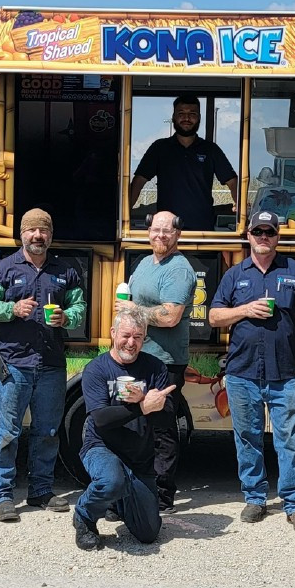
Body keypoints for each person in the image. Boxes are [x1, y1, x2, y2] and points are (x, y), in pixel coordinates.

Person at [208, 210, 295, 535]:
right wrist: (244, 310)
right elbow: (213, 316)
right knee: (248, 439)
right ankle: (255, 498)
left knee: (290, 441)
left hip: (284, 374)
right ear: (249, 236)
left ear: (277, 236)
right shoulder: (234, 275)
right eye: (258, 232)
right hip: (242, 374)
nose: (263, 237)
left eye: (269, 232)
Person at [0, 208, 86, 521]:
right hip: (13, 364)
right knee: (8, 431)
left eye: (43, 231)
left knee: (48, 431)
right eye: (31, 231)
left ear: (50, 235)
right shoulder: (3, 269)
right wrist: (12, 308)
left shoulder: (66, 271)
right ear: (21, 234)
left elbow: (79, 306)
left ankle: (40, 491)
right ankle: (1, 495)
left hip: (51, 364)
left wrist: (68, 317)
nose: (37, 236)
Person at [71, 306, 176, 551]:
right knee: (111, 480)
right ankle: (84, 516)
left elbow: (168, 418)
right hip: (101, 447)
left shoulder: (156, 368)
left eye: (137, 337)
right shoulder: (96, 369)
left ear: (144, 338)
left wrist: (151, 403)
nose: (131, 343)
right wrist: (142, 406)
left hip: (139, 457)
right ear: (113, 333)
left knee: (148, 533)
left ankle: (117, 501)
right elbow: (101, 419)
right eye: (126, 335)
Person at [120, 210, 197, 511]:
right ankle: (136, 488)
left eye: (167, 231)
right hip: (138, 355)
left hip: (165, 361)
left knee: (162, 429)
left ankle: (162, 496)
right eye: (156, 230)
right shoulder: (143, 263)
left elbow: (170, 316)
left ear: (177, 234)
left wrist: (133, 309)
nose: (161, 236)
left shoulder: (179, 269)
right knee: (136, 424)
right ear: (148, 231)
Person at [127, 94, 239, 231]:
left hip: (202, 231)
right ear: (174, 117)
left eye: (192, 114)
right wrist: (125, 214)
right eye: (181, 114)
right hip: (167, 231)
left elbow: (232, 181)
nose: (186, 118)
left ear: (199, 117)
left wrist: (239, 205)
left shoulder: (210, 150)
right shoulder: (159, 148)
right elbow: (139, 181)